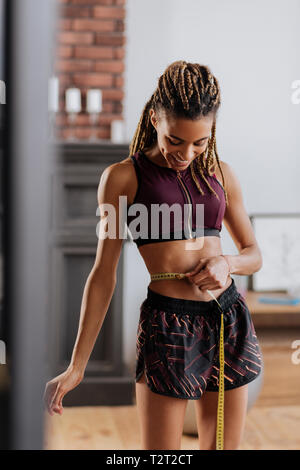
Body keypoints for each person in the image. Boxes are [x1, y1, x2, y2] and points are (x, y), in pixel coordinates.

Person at [43, 60, 263, 451]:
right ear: (154, 118)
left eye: (200, 142)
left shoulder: (221, 174)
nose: (187, 153)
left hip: (227, 316)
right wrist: (77, 366)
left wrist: (226, 263)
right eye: (175, 140)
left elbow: (253, 254)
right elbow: (102, 274)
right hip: (169, 324)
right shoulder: (123, 178)